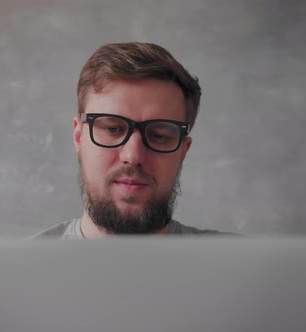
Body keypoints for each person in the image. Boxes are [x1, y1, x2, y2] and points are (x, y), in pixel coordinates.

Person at [33, 42, 227, 239]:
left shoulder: (239, 266)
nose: (133, 156)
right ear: (78, 136)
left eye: (159, 136)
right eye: (112, 129)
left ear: (184, 151)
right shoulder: (18, 268)